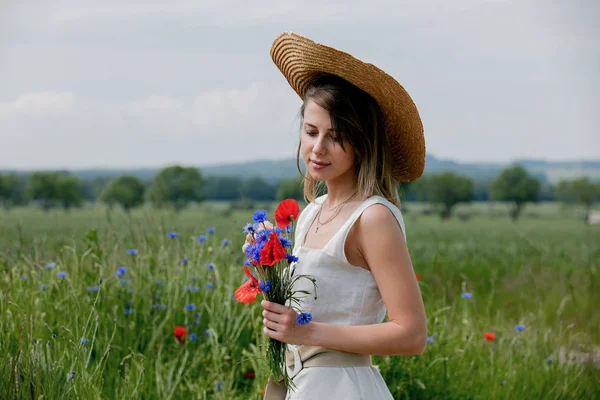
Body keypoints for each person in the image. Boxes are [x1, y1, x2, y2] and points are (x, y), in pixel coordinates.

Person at [246, 32, 428, 399]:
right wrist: (268, 255)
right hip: (302, 386)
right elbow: (310, 306)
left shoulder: (372, 217)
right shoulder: (313, 212)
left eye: (336, 136)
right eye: (311, 131)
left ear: (362, 142)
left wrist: (307, 332)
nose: (317, 147)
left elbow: (412, 333)